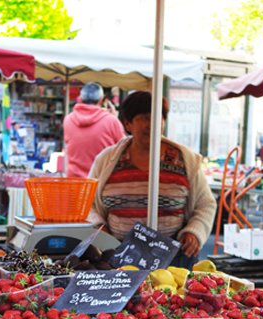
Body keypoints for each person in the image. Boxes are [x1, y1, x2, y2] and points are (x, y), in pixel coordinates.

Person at [87, 91, 216, 268]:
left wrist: (194, 232)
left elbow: (206, 204)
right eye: (145, 118)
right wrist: (99, 227)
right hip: (117, 255)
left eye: (158, 117)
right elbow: (89, 202)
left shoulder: (184, 160)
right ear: (128, 123)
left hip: (174, 259)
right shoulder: (107, 160)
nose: (152, 124)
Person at [63, 82, 124, 179]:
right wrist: (114, 118)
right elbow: (124, 148)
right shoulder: (111, 121)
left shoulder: (68, 120)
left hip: (75, 183)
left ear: (80, 99)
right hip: (101, 182)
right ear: (101, 100)